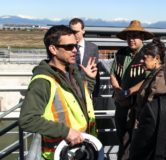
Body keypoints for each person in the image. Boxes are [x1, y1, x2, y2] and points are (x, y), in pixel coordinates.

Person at [19, 25, 102, 160]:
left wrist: (89, 80)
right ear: (53, 49)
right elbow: (27, 119)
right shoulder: (43, 81)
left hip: (81, 150)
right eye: (69, 47)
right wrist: (67, 132)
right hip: (59, 152)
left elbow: (80, 102)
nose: (75, 50)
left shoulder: (72, 72)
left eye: (75, 45)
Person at [110, 20, 154, 159]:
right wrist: (118, 91)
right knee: (122, 137)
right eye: (129, 36)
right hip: (121, 103)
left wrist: (127, 93)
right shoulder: (120, 53)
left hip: (139, 105)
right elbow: (113, 74)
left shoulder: (148, 54)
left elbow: (147, 79)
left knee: (136, 140)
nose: (132, 39)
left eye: (135, 36)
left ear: (142, 38)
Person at [129, 38, 166, 160]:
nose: (141, 61)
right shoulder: (155, 74)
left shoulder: (160, 79)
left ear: (156, 58)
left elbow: (153, 113)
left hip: (149, 138)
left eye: (145, 58)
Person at [69, 18, 100, 94]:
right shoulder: (67, 48)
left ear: (83, 30)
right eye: (71, 32)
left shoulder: (93, 48)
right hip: (70, 89)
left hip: (88, 89)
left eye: (76, 32)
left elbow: (94, 70)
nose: (73, 34)